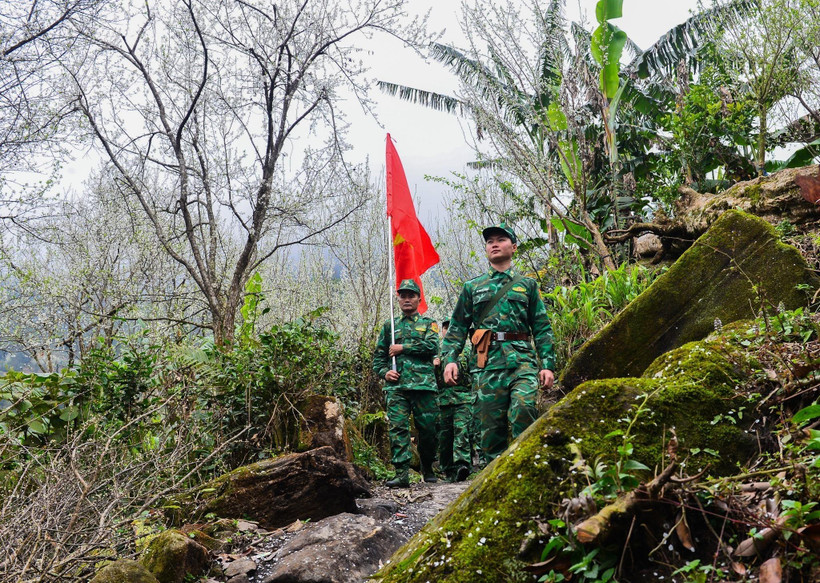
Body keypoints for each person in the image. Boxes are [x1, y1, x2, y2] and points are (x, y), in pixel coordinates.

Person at [441, 223, 556, 463]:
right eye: (489, 241)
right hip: (486, 365)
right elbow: (458, 327)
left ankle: (526, 467)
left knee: (524, 409)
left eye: (501, 240)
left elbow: (541, 327)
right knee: (489, 430)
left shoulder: (527, 285)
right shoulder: (472, 287)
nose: (494, 244)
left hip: (521, 361)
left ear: (513, 247)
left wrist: (547, 365)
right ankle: (493, 475)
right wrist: (450, 359)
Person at [372, 279, 440, 487]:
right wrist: (385, 373)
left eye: (411, 295)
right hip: (397, 388)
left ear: (419, 299)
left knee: (428, 430)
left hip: (423, 386)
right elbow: (378, 358)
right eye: (403, 296)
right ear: (398, 299)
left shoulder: (429, 323)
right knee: (398, 429)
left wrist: (403, 348)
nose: (407, 299)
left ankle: (427, 466)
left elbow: (432, 346)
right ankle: (401, 473)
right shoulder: (390, 326)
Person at [434, 320, 473, 482]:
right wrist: (433, 365)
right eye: (445, 327)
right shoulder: (436, 351)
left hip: (463, 398)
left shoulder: (467, 349)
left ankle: (462, 465)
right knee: (445, 437)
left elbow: (472, 372)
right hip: (442, 400)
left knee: (461, 432)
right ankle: (448, 470)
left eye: (451, 327)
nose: (448, 330)